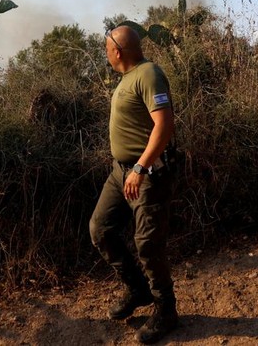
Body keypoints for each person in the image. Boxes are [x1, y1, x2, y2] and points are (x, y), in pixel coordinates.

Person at [89, 25, 178, 344]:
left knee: (148, 244)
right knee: (100, 229)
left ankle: (166, 310)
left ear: (117, 51)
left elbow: (164, 124)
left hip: (147, 172)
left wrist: (140, 166)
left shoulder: (148, 74)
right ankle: (137, 289)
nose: (106, 55)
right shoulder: (128, 78)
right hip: (121, 171)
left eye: (106, 50)